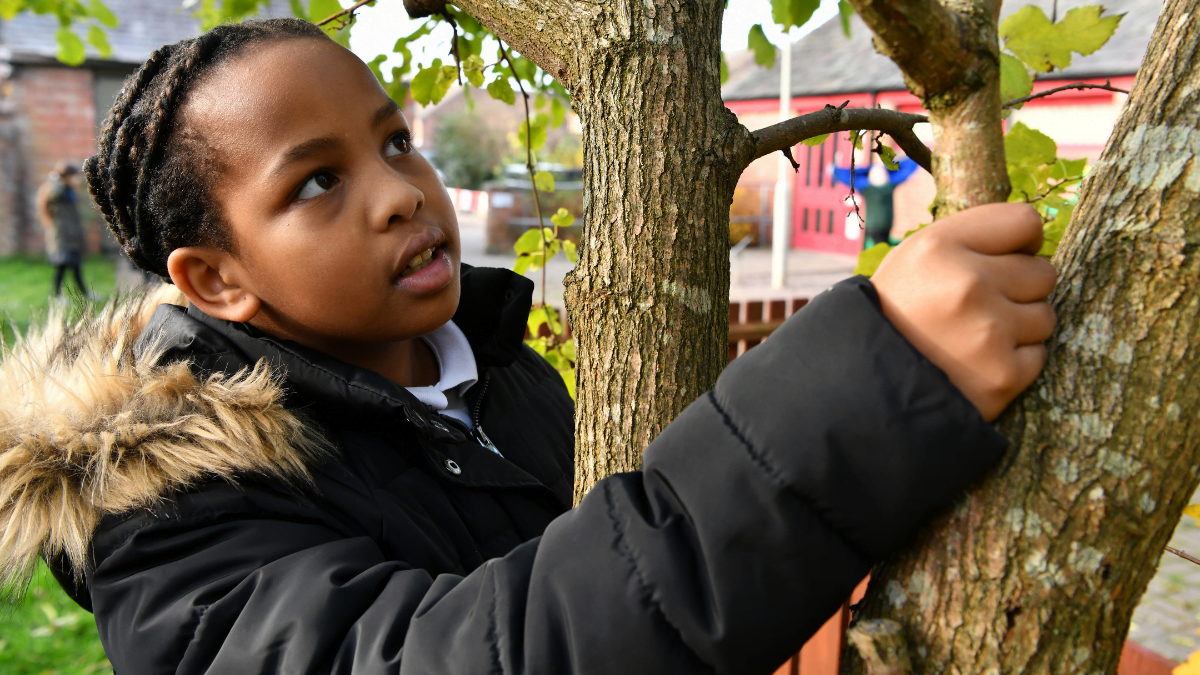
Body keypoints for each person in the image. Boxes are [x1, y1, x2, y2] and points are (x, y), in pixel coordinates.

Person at [0, 19, 1057, 675]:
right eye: (318, 181)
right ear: (218, 278)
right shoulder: (163, 516)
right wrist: (865, 389)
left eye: (395, 140)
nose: (403, 194)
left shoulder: (497, 375)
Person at [832, 154, 922, 248]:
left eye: (882, 173)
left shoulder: (889, 185)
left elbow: (906, 169)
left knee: (880, 248)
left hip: (885, 225)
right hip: (873, 226)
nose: (880, 176)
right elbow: (848, 176)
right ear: (870, 177)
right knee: (875, 248)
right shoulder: (867, 188)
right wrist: (866, 169)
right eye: (876, 174)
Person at [35, 161, 89, 298]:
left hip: (71, 235)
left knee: (75, 266)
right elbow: (54, 193)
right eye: (74, 176)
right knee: (62, 266)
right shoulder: (57, 191)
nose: (77, 179)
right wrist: (55, 178)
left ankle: (83, 293)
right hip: (62, 236)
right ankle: (58, 295)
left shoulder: (68, 191)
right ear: (66, 176)